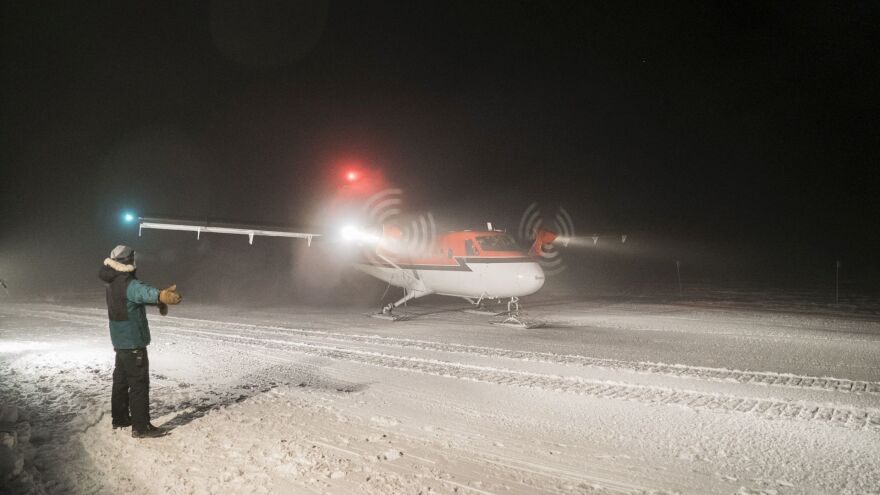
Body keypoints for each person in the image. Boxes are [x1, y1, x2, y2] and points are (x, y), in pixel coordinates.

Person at [98, 245, 181, 438]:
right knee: (139, 383)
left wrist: (157, 300)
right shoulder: (127, 282)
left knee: (121, 380)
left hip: (120, 340)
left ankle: (120, 419)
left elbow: (134, 298)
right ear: (128, 261)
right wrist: (161, 296)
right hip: (133, 340)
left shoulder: (111, 281)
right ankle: (141, 427)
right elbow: (141, 292)